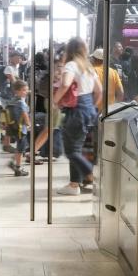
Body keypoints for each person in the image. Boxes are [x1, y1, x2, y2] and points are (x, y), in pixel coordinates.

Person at [54, 38, 102, 196]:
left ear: (69, 50)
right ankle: (74, 184)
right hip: (89, 110)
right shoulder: (88, 67)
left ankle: (90, 175)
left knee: (71, 151)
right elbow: (99, 91)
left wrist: (55, 101)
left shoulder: (71, 65)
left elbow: (66, 84)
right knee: (79, 149)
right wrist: (91, 106)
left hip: (75, 111)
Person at [6, 80, 31, 176]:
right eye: (24, 90)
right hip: (22, 129)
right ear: (17, 91)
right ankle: (18, 168)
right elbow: (25, 115)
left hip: (14, 128)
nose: (26, 92)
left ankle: (13, 162)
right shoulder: (21, 103)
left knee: (19, 148)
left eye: (27, 89)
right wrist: (29, 125)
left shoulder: (12, 101)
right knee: (21, 149)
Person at [91, 48, 124, 112]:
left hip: (95, 110)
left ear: (95, 59)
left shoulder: (92, 71)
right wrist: (114, 107)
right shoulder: (113, 72)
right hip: (109, 111)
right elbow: (121, 93)